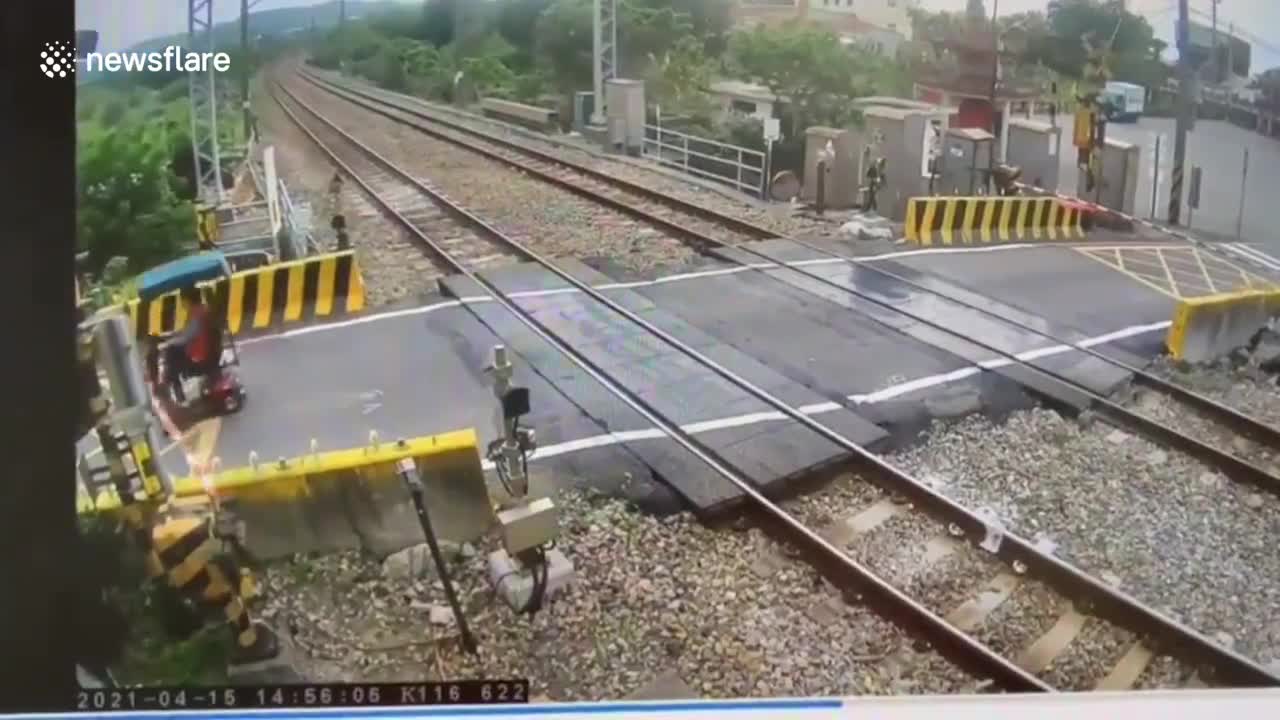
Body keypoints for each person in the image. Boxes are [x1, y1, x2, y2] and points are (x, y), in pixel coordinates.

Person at [160, 286, 212, 402]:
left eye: (182, 300)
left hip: (198, 354)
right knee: (172, 354)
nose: (182, 303)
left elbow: (187, 337)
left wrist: (168, 342)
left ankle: (170, 386)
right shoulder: (201, 310)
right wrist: (170, 336)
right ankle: (171, 385)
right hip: (201, 348)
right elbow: (187, 332)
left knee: (171, 353)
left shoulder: (197, 313)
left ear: (188, 300)